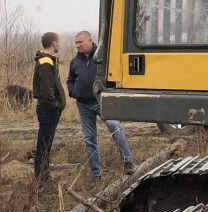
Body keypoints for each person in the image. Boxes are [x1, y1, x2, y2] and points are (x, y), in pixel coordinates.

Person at [66, 31, 134, 182]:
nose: (78, 45)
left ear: (90, 40)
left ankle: (128, 162)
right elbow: (70, 80)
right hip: (83, 105)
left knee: (114, 126)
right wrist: (73, 92)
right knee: (89, 138)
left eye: (80, 42)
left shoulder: (103, 57)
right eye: (76, 43)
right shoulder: (74, 62)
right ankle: (97, 175)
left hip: (102, 101)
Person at [32, 32, 66, 182]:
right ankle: (42, 178)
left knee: (46, 143)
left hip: (49, 108)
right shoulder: (46, 61)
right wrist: (56, 105)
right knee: (44, 144)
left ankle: (44, 176)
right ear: (54, 43)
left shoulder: (49, 60)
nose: (59, 44)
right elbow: (47, 90)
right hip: (48, 109)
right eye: (58, 42)